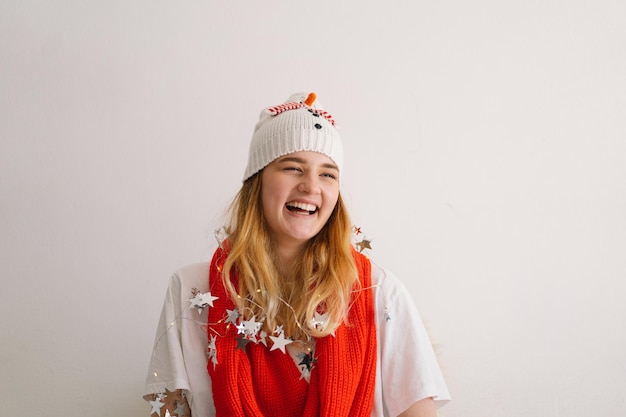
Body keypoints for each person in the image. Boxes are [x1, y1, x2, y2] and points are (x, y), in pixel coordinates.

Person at [143, 92, 450, 416]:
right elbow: (169, 411)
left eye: (328, 173)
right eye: (293, 167)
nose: (311, 186)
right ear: (257, 181)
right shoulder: (192, 290)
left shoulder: (380, 293)